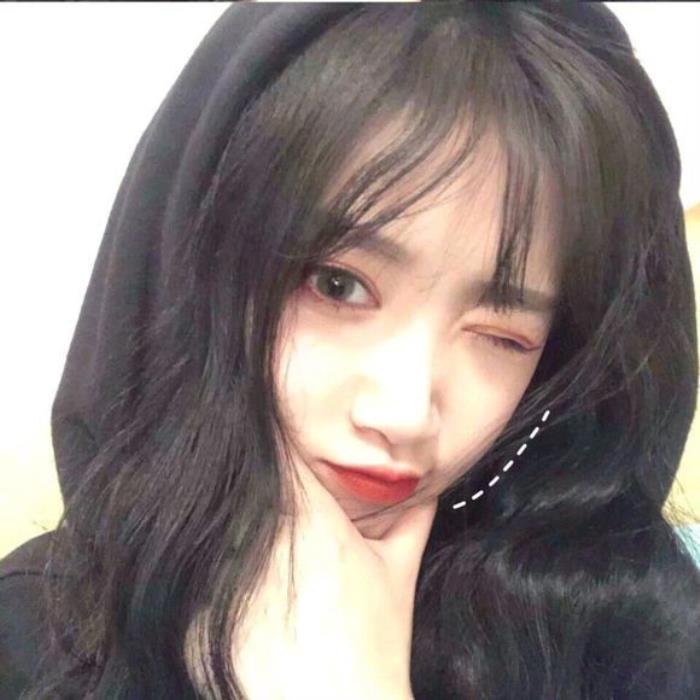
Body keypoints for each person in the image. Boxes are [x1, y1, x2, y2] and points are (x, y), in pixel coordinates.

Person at [1, 2, 699, 698]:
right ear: (199, 269)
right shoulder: (34, 638)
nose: (404, 413)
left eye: (501, 337)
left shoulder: (634, 629)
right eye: (339, 286)